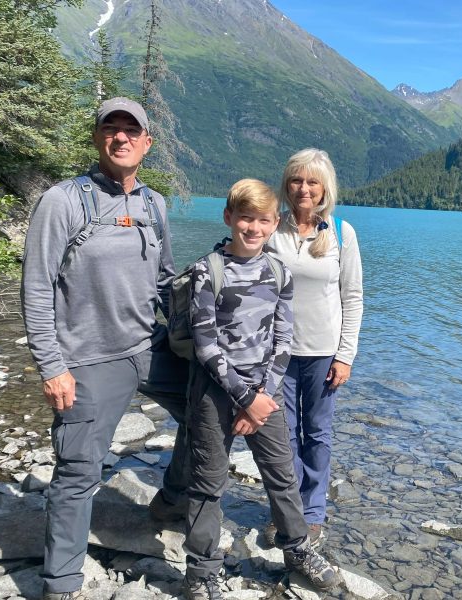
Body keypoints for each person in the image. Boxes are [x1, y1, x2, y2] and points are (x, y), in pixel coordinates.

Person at [21, 97, 190, 600]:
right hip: (89, 359)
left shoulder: (154, 205)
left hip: (151, 347)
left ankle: (172, 501)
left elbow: (165, 283)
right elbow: (36, 287)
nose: (121, 138)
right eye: (110, 129)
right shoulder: (64, 200)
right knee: (78, 471)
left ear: (147, 143)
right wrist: (52, 366)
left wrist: (205, 326)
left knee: (210, 415)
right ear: (97, 139)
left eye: (131, 131)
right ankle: (61, 584)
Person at [181, 179, 338, 599]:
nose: (253, 228)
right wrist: (246, 398)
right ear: (229, 217)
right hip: (216, 392)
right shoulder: (207, 270)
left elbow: (284, 339)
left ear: (274, 225)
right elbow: (205, 343)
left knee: (281, 475)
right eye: (245, 217)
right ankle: (200, 571)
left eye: (263, 220)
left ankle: (297, 548)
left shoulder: (278, 271)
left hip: (264, 391)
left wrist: (264, 393)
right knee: (208, 483)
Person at [265, 148, 363, 547]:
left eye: (312, 181)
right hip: (277, 353)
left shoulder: (341, 232)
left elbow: (353, 296)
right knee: (283, 436)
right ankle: (288, 511)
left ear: (325, 188)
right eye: (296, 180)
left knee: (317, 434)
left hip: (323, 352)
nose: (303, 189)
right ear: (287, 185)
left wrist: (346, 355)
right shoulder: (272, 229)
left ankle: (314, 510)